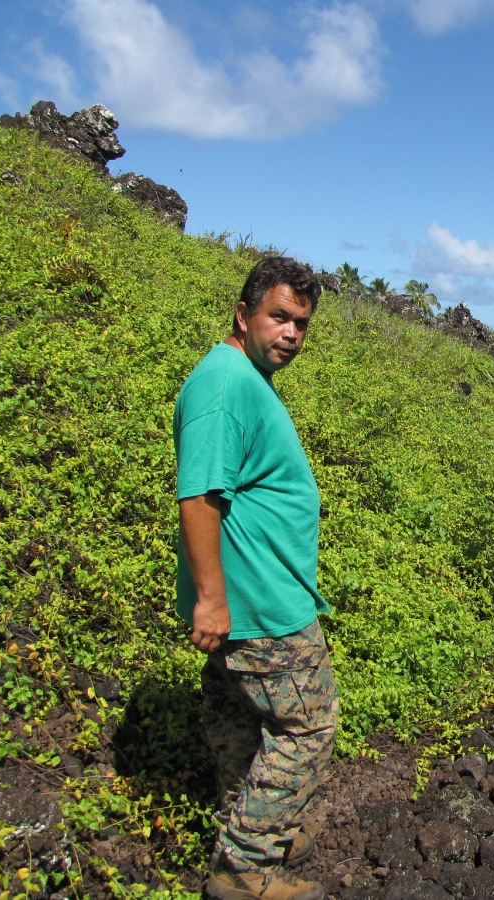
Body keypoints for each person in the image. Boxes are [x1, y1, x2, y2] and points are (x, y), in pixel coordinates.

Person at [174, 256, 336, 900]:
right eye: (279, 316)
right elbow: (198, 497)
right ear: (243, 315)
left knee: (236, 720)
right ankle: (244, 869)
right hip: (258, 603)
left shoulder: (241, 376)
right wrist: (213, 599)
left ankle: (251, 828)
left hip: (253, 594)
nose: (291, 332)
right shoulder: (224, 385)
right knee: (308, 727)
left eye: (300, 322)